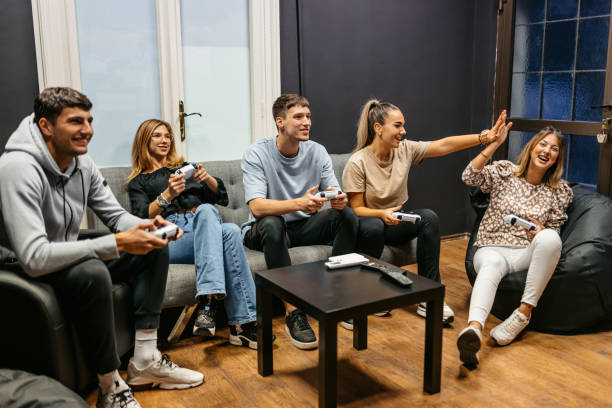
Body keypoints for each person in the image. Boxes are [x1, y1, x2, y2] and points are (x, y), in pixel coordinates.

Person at [0, 88, 203, 408]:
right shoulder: (17, 167)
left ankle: (145, 361)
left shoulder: (81, 162)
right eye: (75, 121)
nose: (87, 130)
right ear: (46, 126)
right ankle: (111, 388)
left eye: (89, 120)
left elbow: (114, 215)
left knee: (154, 246)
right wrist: (117, 242)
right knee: (93, 270)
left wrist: (145, 228)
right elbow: (34, 257)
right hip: (21, 265)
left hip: (60, 250)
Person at [342, 99, 509, 326]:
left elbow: (444, 145)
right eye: (398, 125)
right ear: (378, 128)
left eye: (403, 125)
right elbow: (356, 209)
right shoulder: (358, 162)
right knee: (373, 226)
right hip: (370, 224)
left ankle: (429, 296)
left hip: (396, 222)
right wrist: (381, 215)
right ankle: (360, 297)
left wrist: (484, 138)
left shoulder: (404, 149)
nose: (404, 131)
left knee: (428, 217)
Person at [127, 118, 263, 349]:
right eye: (157, 136)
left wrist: (207, 179)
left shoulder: (185, 168)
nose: (164, 141)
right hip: (171, 235)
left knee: (229, 229)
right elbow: (142, 216)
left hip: (203, 226)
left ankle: (238, 326)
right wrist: (167, 195)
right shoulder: (138, 181)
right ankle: (213, 303)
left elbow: (221, 197)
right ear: (144, 141)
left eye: (167, 136)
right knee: (214, 218)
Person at [241, 94, 359, 350]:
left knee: (346, 216)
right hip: (263, 230)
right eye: (298, 117)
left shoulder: (316, 151)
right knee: (273, 223)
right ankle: (293, 312)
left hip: (303, 225)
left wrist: (339, 201)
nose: (306, 122)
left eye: (308, 116)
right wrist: (298, 203)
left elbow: (335, 192)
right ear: (280, 122)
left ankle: (338, 298)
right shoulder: (256, 153)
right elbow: (258, 207)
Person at [456, 125, 572, 367]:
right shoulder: (504, 171)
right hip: (492, 247)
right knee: (492, 264)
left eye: (554, 149)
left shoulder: (559, 191)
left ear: (557, 159)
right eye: (543, 144)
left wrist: (542, 230)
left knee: (551, 238)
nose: (547, 151)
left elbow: (553, 236)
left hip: (525, 253)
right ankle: (474, 330)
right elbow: (469, 176)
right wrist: (494, 144)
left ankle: (522, 314)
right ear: (532, 148)